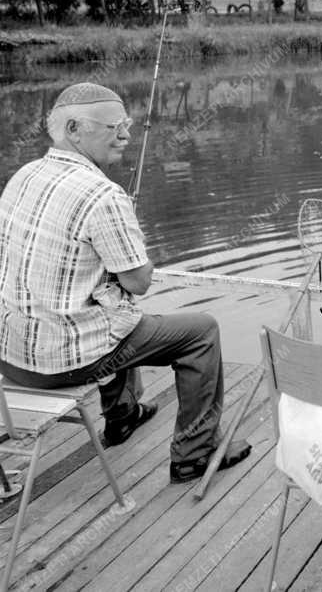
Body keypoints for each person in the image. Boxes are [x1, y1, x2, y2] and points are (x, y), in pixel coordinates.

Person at [0, 82, 251, 484]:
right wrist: (130, 235)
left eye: (127, 125)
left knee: (114, 311)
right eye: (113, 127)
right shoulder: (103, 195)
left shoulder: (23, 175)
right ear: (74, 129)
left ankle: (123, 416)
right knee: (201, 332)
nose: (126, 136)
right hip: (63, 365)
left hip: (12, 356)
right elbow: (138, 282)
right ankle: (195, 453)